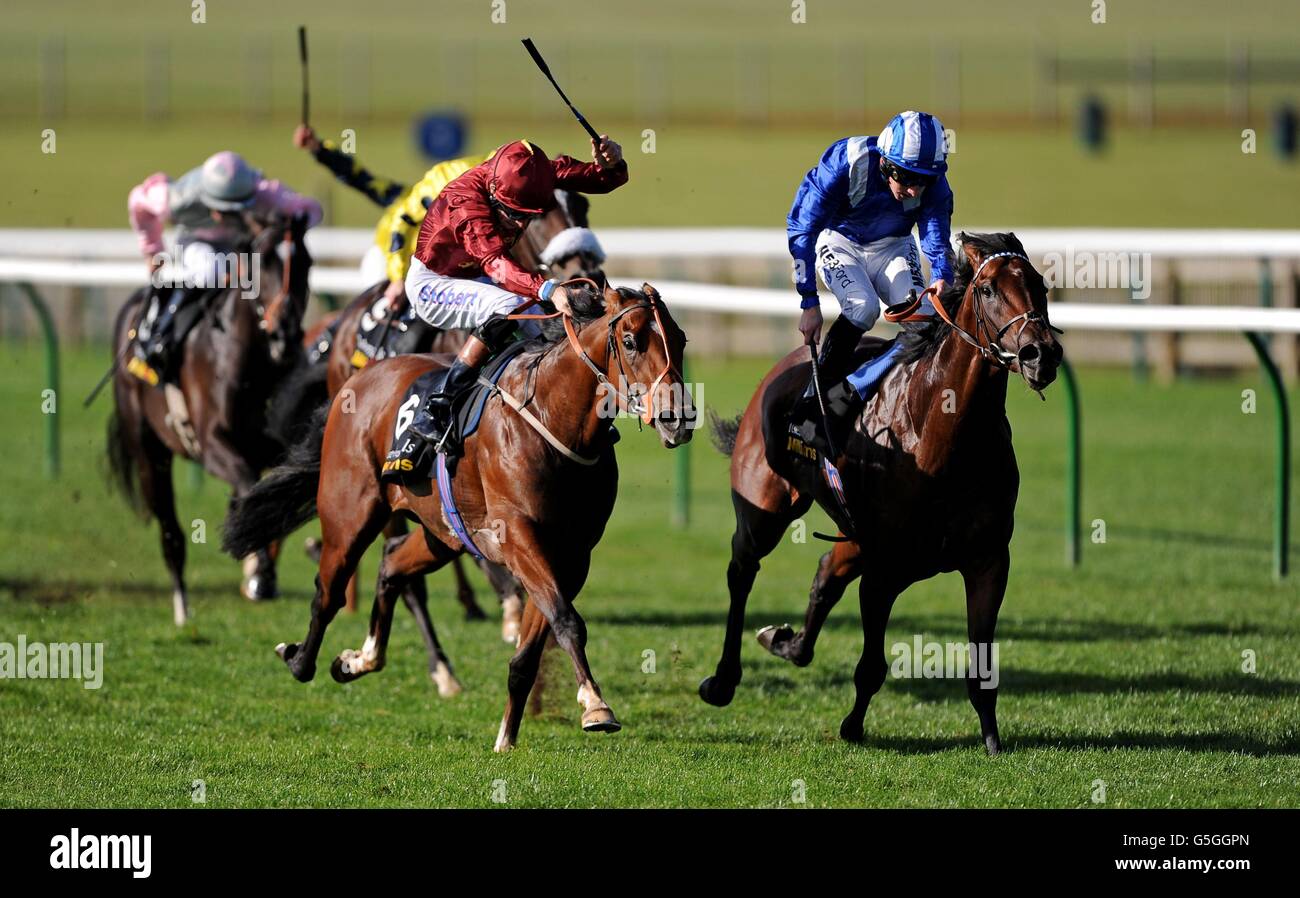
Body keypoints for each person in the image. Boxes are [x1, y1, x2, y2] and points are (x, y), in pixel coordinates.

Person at [387, 136, 626, 476]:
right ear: (494, 192)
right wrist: (547, 288)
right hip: (433, 284)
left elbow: (606, 181)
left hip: (478, 279)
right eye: (511, 214)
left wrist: (610, 164)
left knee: (544, 323)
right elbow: (496, 264)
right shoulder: (465, 202)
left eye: (526, 215)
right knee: (511, 302)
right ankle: (438, 405)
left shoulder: (537, 174)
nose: (518, 224)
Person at [786, 110, 954, 455]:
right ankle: (808, 406)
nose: (913, 190)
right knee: (862, 307)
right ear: (886, 164)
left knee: (925, 321)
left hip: (893, 245)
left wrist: (942, 276)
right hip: (839, 241)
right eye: (907, 178)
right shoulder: (846, 161)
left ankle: (851, 390)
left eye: (923, 180)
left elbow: (936, 237)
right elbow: (802, 229)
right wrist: (809, 302)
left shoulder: (934, 185)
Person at [127, 151, 323, 384]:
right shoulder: (177, 196)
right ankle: (158, 337)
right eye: (218, 208)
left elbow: (312, 210)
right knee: (211, 270)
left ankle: (283, 342)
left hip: (242, 245)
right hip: (196, 242)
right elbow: (138, 203)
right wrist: (153, 251)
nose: (221, 216)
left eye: (232, 211)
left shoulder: (265, 192)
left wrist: (286, 224)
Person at [292, 125, 488, 313]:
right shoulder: (406, 198)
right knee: (383, 313)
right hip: (387, 268)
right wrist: (318, 147)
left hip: (431, 275)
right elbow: (358, 177)